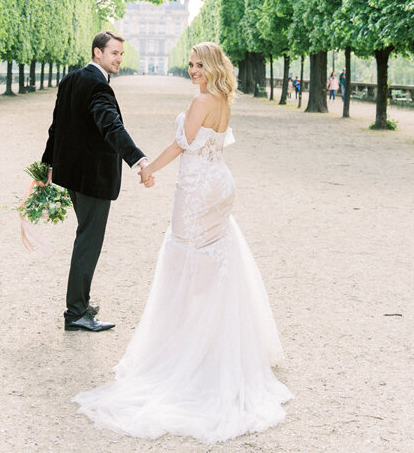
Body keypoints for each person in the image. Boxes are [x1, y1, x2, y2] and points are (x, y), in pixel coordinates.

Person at [73, 41, 291, 444]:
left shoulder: (201, 101)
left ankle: (191, 349)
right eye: (190, 65)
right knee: (216, 263)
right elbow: (217, 144)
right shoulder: (224, 98)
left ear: (210, 67)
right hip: (219, 182)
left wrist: (146, 168)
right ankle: (217, 345)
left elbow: (181, 145)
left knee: (185, 264)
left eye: (197, 65)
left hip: (196, 190)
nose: (192, 70)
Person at [40, 31, 149, 332]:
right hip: (93, 179)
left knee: (85, 239)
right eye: (114, 53)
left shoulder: (70, 80)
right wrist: (138, 159)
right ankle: (76, 312)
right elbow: (111, 126)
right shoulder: (98, 86)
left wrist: (47, 164)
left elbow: (56, 127)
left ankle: (80, 303)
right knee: (88, 242)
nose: (118, 59)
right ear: (97, 52)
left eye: (121, 54)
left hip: (73, 175)